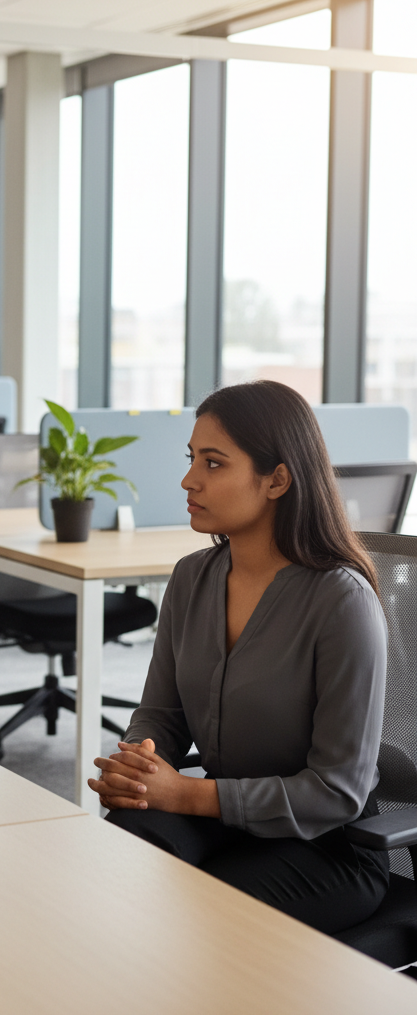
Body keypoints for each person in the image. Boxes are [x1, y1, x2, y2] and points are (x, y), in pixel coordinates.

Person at [88, 380, 389, 933]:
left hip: (328, 846)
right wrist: (140, 764)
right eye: (191, 459)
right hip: (223, 814)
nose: (189, 480)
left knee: (193, 919)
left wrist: (185, 793)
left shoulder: (341, 602)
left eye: (213, 463)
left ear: (277, 480)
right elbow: (162, 715)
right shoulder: (191, 578)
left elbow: (337, 791)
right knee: (115, 861)